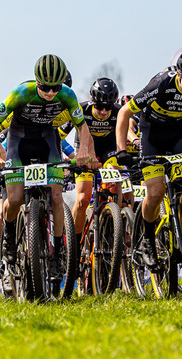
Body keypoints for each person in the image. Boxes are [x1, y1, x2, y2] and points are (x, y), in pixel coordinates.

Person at [0, 54, 97, 279]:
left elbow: (82, 126)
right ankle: (9, 239)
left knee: (56, 197)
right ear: (37, 81)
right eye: (45, 87)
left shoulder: (67, 95)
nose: (51, 93)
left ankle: (57, 252)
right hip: (18, 142)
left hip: (46, 142)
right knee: (14, 199)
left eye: (55, 88)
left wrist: (84, 151)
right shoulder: (21, 93)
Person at [116, 49, 182, 266]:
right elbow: (124, 113)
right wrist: (121, 150)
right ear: (179, 75)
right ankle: (147, 239)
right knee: (156, 192)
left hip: (180, 131)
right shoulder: (161, 84)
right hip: (152, 134)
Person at [71, 77, 123, 261]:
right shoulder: (81, 110)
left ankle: (112, 226)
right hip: (85, 151)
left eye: (108, 107)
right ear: (92, 101)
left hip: (108, 151)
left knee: (115, 182)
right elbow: (59, 134)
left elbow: (128, 131)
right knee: (83, 198)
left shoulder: (118, 112)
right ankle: (74, 246)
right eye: (100, 107)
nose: (103, 112)